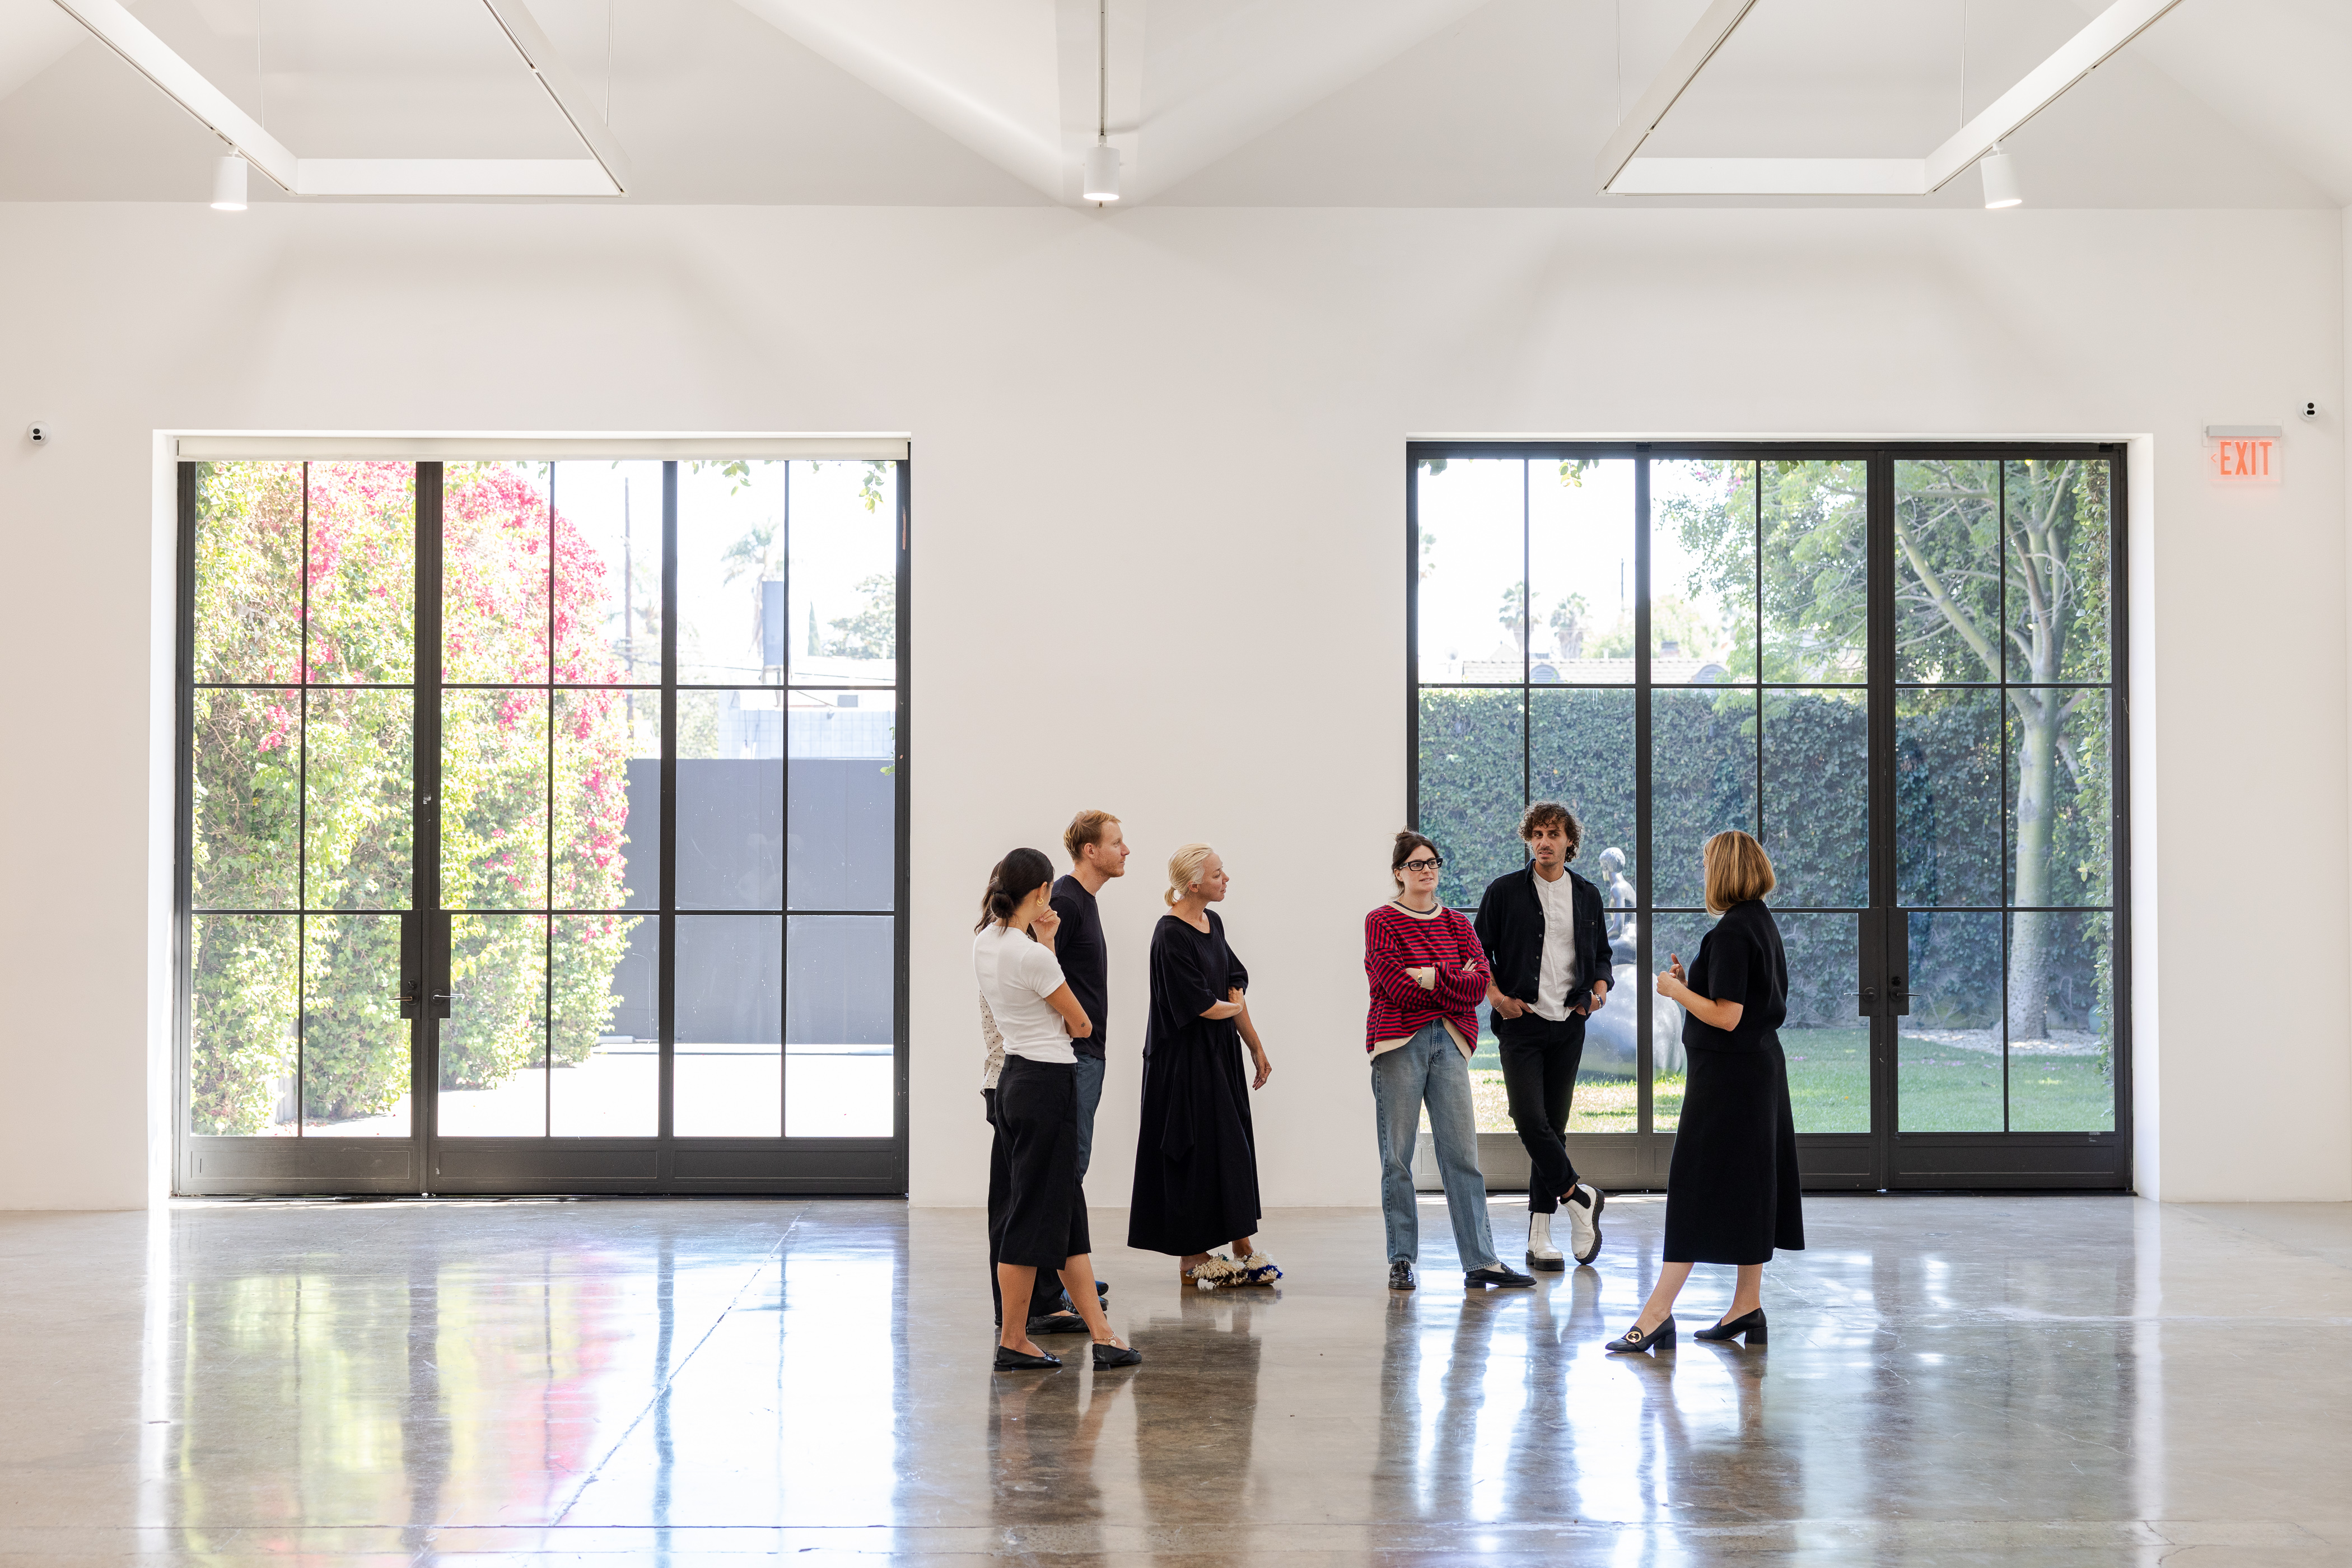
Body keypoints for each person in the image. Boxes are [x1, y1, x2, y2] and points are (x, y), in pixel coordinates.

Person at [1607, 829, 1804, 1354]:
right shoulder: (1759, 922)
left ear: (1725, 870)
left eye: (1707, 863)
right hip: (1757, 1072)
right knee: (1750, 1187)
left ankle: (1656, 1316)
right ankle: (1746, 1306)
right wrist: (1691, 985)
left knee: (1694, 1190)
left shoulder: (1733, 931)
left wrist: (1675, 991)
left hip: (1728, 1082)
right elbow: (1740, 1002)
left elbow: (1728, 1015)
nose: (1703, 872)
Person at [973, 847, 1141, 1371]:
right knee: (1032, 1218)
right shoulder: (1033, 957)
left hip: (1015, 1080)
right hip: (1049, 1086)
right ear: (1043, 890)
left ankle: (1104, 1337)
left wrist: (1046, 941)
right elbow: (1081, 1023)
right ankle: (1014, 1340)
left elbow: (1031, 997)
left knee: (1067, 1215)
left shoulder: (987, 941)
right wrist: (1047, 950)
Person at [1364, 830, 1534, 1292]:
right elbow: (1394, 988)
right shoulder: (1381, 921)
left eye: (1432, 862)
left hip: (1452, 1042)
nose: (1426, 871)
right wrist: (1450, 979)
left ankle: (1481, 1261)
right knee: (1397, 1158)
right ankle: (1401, 1259)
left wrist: (1427, 976)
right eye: (1416, 864)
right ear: (1399, 873)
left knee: (1462, 1157)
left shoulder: (1459, 924)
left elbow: (1478, 985)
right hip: (1398, 1043)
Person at [1127, 843, 1281, 1289]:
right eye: (1217, 874)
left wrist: (1255, 1046)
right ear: (1194, 884)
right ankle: (1192, 1258)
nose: (1226, 879)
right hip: (1181, 1065)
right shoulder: (1169, 934)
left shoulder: (1213, 922)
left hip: (1217, 1057)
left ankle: (1242, 1245)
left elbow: (1232, 990)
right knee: (1190, 1151)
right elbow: (1204, 1006)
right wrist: (1232, 1007)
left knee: (1232, 1148)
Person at [1474, 802, 1616, 1271]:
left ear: (1569, 841)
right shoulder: (1504, 892)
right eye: (1536, 834)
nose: (1544, 842)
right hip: (1521, 1022)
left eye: (1553, 834)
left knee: (1554, 1128)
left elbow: (1601, 955)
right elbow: (1476, 954)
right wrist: (1497, 998)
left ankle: (1540, 1236)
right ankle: (1580, 1197)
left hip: (1570, 1022)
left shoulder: (1588, 894)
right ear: (1528, 839)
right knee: (1528, 1118)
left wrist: (1597, 994)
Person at [1051, 810, 1130, 1183]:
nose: (1126, 850)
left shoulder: (1083, 899)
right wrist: (1075, 1028)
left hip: (1085, 1052)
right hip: (1074, 1054)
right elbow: (1039, 973)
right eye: (1116, 843)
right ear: (1090, 850)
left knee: (1073, 1161)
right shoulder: (1065, 901)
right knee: (1069, 1163)